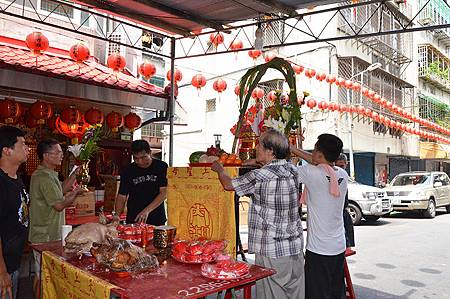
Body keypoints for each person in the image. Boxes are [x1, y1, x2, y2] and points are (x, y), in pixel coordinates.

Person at [212, 129, 305, 299]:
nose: (256, 147)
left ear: (270, 151)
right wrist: (258, 161)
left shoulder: (259, 176)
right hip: (294, 246)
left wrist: (219, 170)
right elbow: (273, 167)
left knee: (272, 294)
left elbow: (228, 185)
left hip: (272, 249)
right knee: (295, 292)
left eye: (259, 144)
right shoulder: (292, 169)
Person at [290, 133, 348, 299]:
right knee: (335, 292)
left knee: (316, 293)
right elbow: (316, 161)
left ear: (320, 154)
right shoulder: (342, 174)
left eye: (314, 150)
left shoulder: (311, 173)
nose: (312, 153)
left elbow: (287, 171)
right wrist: (294, 149)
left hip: (319, 250)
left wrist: (290, 150)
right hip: (338, 246)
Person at [28, 138, 82, 295]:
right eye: (57, 152)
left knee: (44, 274)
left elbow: (61, 189)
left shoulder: (48, 174)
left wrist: (75, 174)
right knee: (42, 275)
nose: (61, 155)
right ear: (46, 156)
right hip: (45, 236)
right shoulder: (43, 176)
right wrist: (75, 194)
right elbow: (59, 205)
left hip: (49, 233)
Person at [0, 126, 30, 299]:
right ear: (7, 150)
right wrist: (2, 272)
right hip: (3, 266)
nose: (27, 148)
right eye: (23, 144)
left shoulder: (17, 179)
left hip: (14, 260)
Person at [114, 139, 168, 225]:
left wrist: (147, 210)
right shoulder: (128, 170)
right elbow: (122, 195)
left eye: (143, 157)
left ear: (150, 153)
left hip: (156, 217)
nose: (140, 161)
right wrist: (116, 215)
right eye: (136, 158)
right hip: (134, 217)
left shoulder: (161, 167)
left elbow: (164, 192)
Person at [335, 154, 355, 248]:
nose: (340, 168)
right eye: (337, 166)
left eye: (342, 166)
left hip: (343, 215)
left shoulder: (344, 177)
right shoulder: (331, 178)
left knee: (346, 247)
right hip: (334, 216)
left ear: (346, 165)